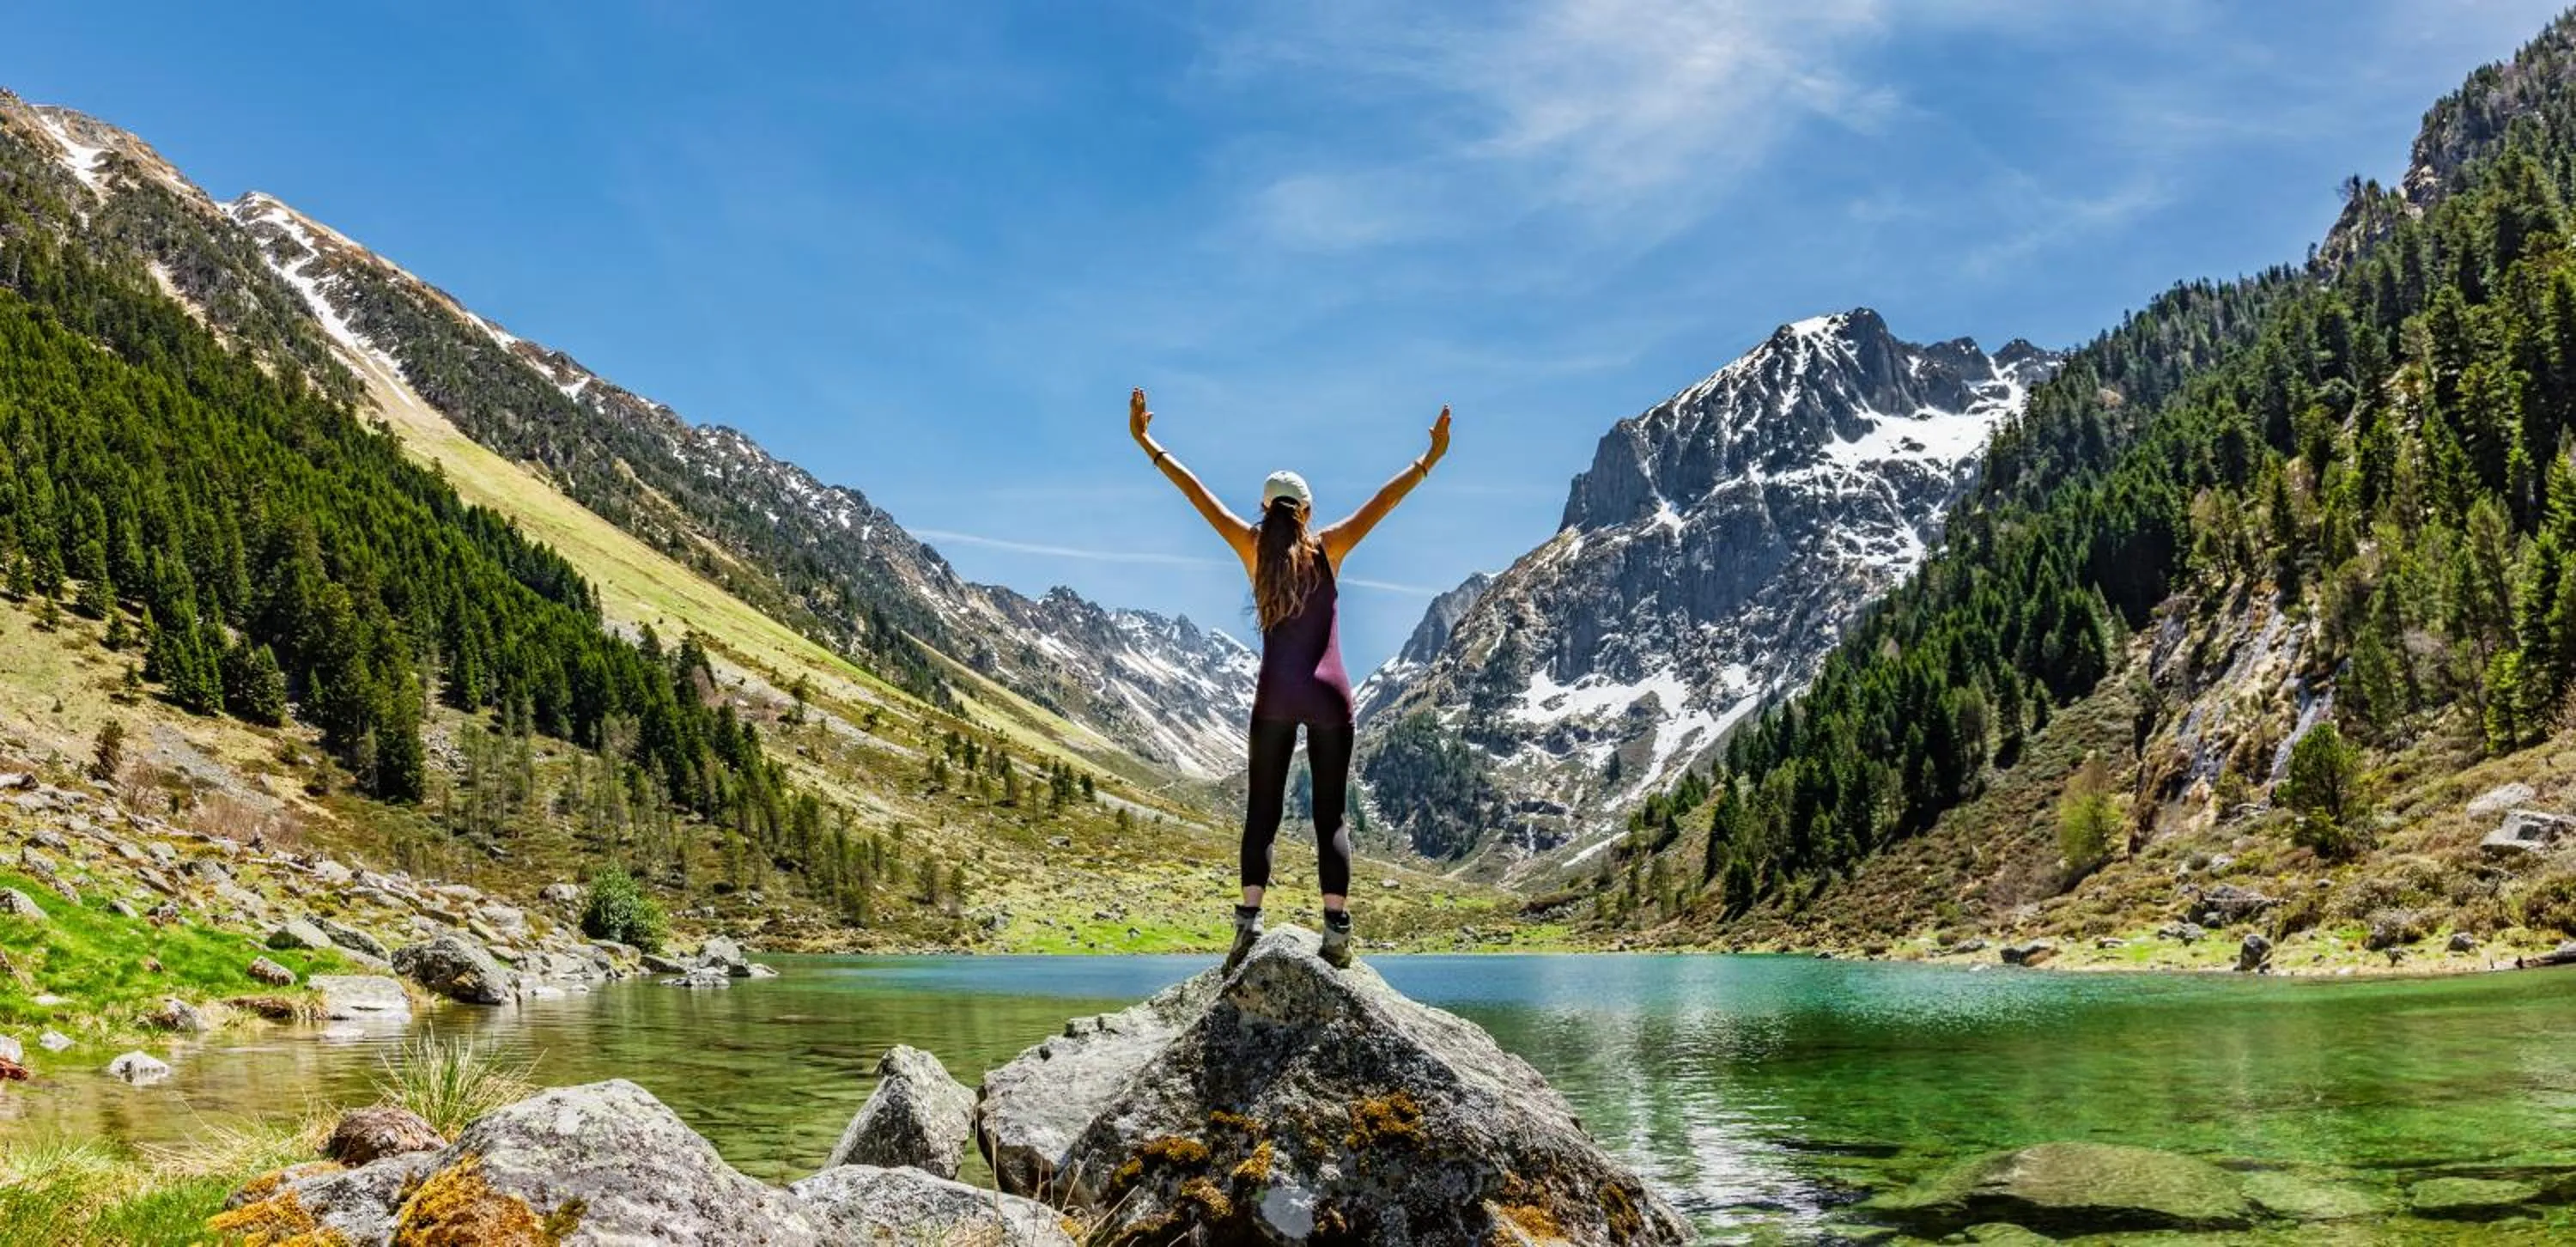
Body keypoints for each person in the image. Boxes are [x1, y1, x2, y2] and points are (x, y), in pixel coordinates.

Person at [1131, 386, 1449, 971]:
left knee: (1263, 813)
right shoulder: (1330, 547)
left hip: (1275, 696)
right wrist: (1429, 460)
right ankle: (1336, 930)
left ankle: (1248, 924)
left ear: (1264, 508)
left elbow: (1196, 494)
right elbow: (1383, 502)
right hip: (1330, 693)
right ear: (1304, 511)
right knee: (1331, 816)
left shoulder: (1251, 547)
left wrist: (1148, 443)